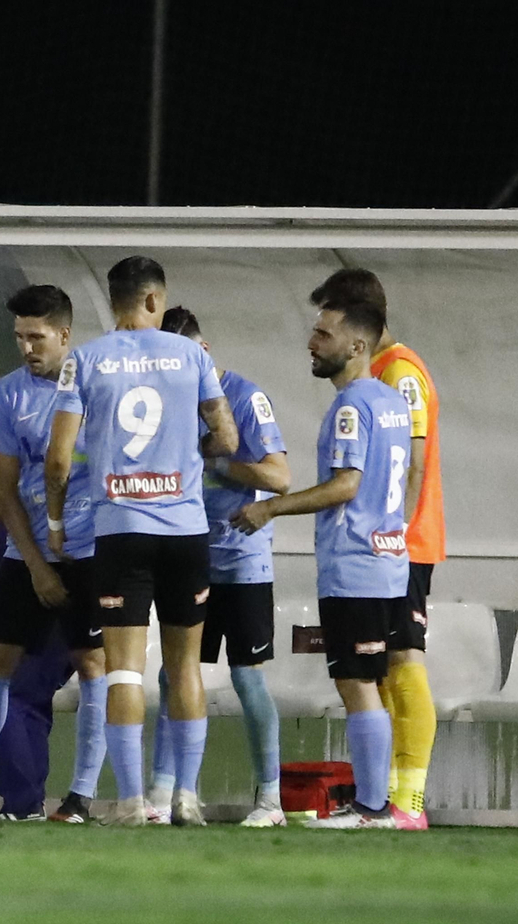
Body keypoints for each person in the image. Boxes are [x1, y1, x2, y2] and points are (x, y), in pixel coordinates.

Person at [46, 256, 237, 827]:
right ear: (156, 299)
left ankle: (132, 803)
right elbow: (225, 436)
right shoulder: (193, 356)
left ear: (116, 301)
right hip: (183, 530)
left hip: (121, 530)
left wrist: (56, 524)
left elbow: (58, 460)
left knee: (124, 669)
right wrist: (185, 458)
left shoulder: (85, 359)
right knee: (185, 668)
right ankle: (186, 797)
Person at [231, 300, 411, 829]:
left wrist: (270, 506)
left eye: (324, 334)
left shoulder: (352, 406)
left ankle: (373, 808)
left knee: (355, 683)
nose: (313, 342)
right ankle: (376, 804)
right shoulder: (392, 402)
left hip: (356, 564)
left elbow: (346, 485)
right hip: (389, 560)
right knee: (367, 684)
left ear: (357, 346)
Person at [0, 285, 106, 824]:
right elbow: (4, 488)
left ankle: (81, 796)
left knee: (94, 663)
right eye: (19, 337)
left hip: (91, 550)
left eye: (36, 336)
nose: (27, 347)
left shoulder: (97, 383)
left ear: (64, 335)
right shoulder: (7, 393)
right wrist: (35, 563)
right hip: (29, 551)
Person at [150, 307, 290, 827]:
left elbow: (280, 478)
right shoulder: (163, 399)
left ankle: (270, 801)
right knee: (173, 676)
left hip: (242, 562)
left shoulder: (245, 398)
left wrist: (216, 462)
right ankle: (164, 796)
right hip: (186, 559)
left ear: (202, 354)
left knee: (247, 678)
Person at [310, 269, 439, 829]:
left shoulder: (398, 376)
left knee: (398, 668)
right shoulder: (380, 382)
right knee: (381, 672)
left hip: (394, 545)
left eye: (327, 323)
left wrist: (393, 537)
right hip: (388, 546)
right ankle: (380, 795)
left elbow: (411, 467)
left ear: (358, 329)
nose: (316, 337)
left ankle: (400, 799)